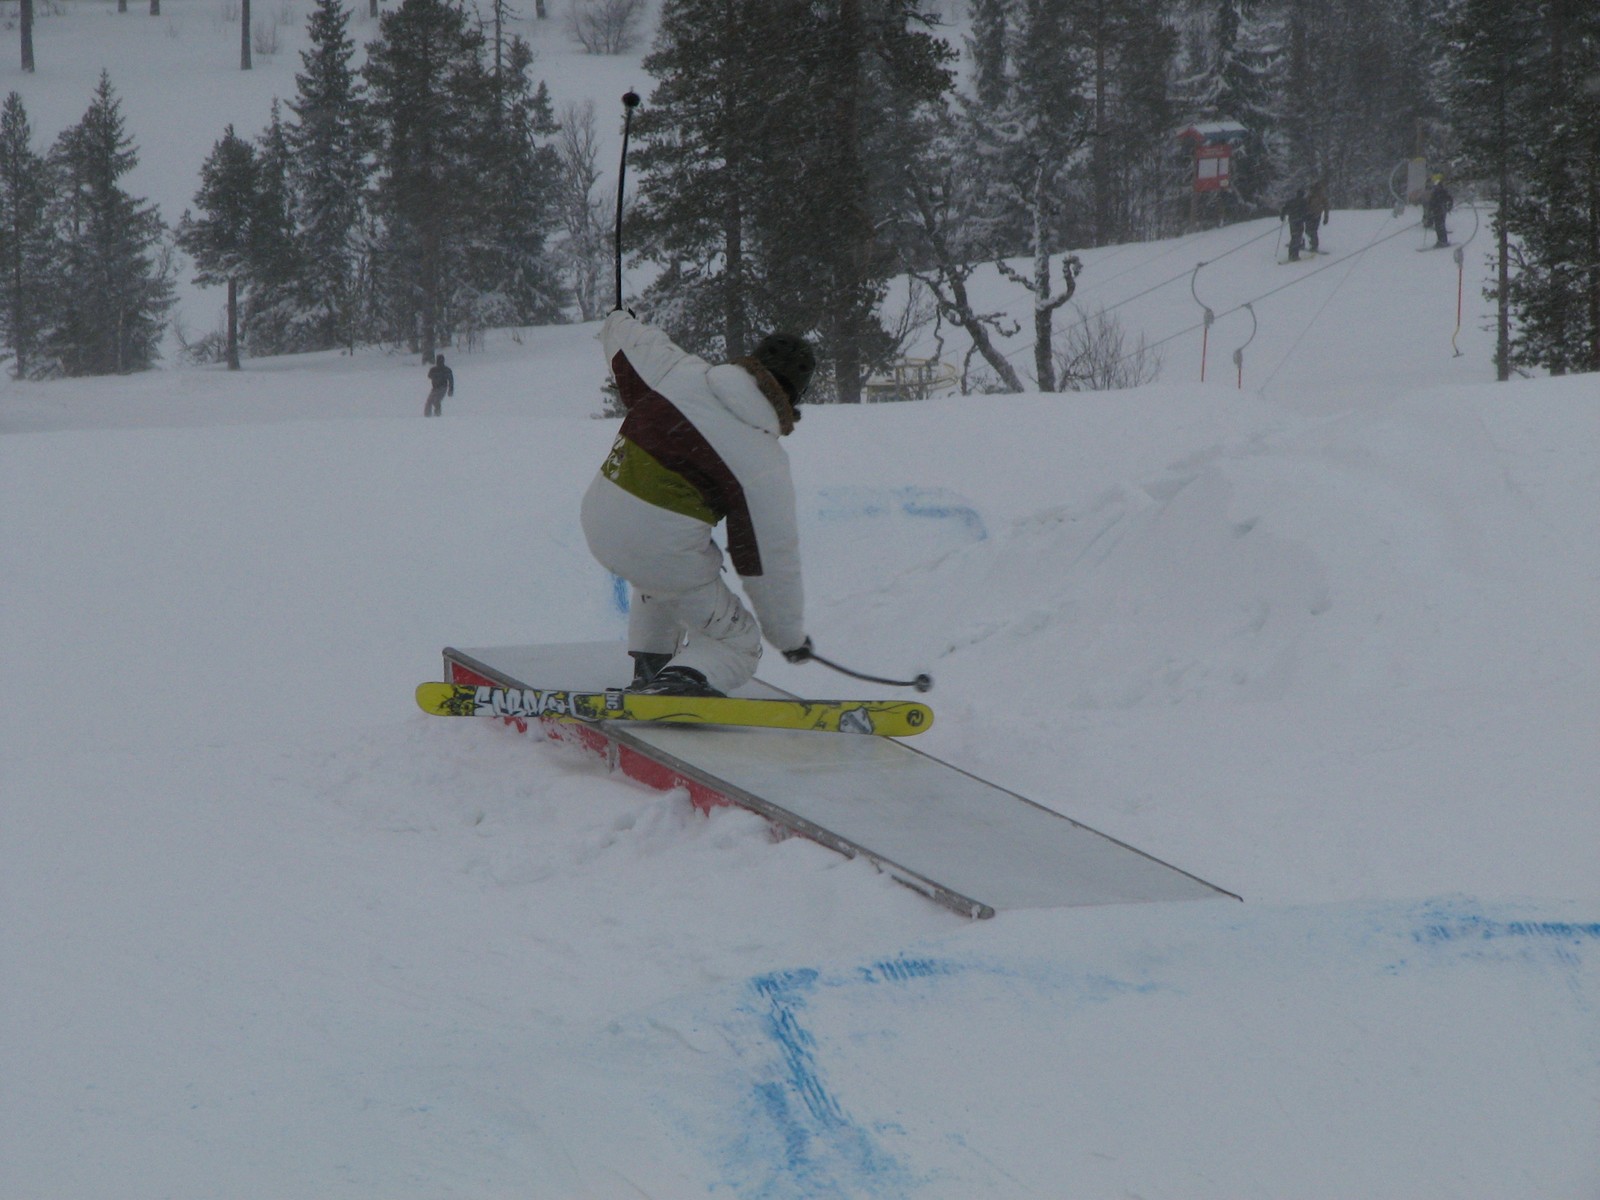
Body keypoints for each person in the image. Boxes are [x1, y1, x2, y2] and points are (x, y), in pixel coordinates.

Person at [582, 309, 816, 697]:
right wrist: (788, 637)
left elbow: (628, 340)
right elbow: (769, 559)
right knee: (738, 642)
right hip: (660, 548)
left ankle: (651, 668)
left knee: (662, 577)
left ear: (752, 361)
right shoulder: (763, 459)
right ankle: (678, 686)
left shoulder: (679, 370)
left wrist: (619, 318)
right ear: (796, 397)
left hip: (599, 519)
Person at [1280, 186, 1311, 261]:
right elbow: (1306, 211)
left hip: (1292, 221)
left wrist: (1282, 216)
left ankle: (1292, 254)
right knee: (1297, 237)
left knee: (1294, 236)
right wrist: (1306, 218)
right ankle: (1294, 255)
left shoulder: (1291, 201)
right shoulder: (1303, 202)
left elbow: (1284, 208)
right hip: (1299, 221)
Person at [1426, 176, 1453, 248]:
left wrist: (1449, 207)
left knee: (1440, 225)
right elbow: (1431, 202)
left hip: (1440, 210)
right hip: (1437, 210)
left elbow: (1449, 199)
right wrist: (1430, 210)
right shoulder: (1436, 192)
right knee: (1438, 226)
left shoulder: (1441, 191)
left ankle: (1443, 241)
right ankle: (1441, 240)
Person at [1306, 178, 1330, 252]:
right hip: (1309, 215)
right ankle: (1312, 243)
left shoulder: (1321, 196)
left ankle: (1314, 245)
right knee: (1308, 230)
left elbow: (1326, 206)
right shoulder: (1310, 196)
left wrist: (1326, 217)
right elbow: (1305, 204)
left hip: (1316, 215)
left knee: (1313, 230)